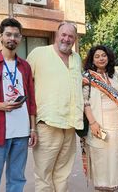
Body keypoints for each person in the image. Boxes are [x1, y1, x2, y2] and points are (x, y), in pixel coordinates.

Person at [0, 18, 37, 192]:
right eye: (8, 34)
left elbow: (31, 99)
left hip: (21, 132)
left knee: (17, 179)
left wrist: (33, 129)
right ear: (1, 37)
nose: (12, 38)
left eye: (16, 35)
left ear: (20, 38)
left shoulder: (25, 66)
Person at [27, 22, 84, 192]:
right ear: (56, 34)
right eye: (63, 35)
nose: (66, 39)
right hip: (47, 123)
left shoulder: (76, 58)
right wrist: (31, 126)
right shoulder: (39, 53)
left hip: (70, 124)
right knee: (44, 174)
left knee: (63, 172)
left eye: (70, 36)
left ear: (75, 39)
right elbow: (26, 86)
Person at [82, 45, 118, 191]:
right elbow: (85, 102)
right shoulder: (87, 77)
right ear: (92, 60)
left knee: (115, 160)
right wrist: (92, 123)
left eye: (103, 55)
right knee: (101, 162)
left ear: (108, 57)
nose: (101, 58)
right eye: (97, 56)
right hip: (98, 124)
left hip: (117, 126)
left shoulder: (114, 75)